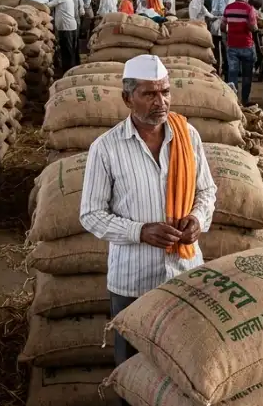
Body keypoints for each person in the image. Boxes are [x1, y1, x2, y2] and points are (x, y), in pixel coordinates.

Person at [80, 55, 217, 372]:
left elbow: (207, 191)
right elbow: (91, 214)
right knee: (133, 368)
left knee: (185, 366)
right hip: (133, 281)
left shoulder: (187, 136)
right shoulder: (107, 148)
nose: (161, 102)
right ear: (127, 97)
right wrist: (139, 232)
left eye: (165, 92)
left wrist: (197, 219)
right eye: (150, 94)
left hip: (185, 273)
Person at [222, 0, 258, 105]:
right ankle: (245, 100)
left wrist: (231, 31)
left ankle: (234, 101)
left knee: (233, 74)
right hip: (246, 45)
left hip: (232, 45)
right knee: (247, 75)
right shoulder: (249, 9)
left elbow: (223, 26)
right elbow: (253, 28)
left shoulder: (228, 8)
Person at [49, 0, 79, 76]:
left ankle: (68, 72)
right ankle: (70, 70)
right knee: (70, 51)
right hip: (70, 27)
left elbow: (48, 5)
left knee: (67, 52)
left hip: (66, 28)